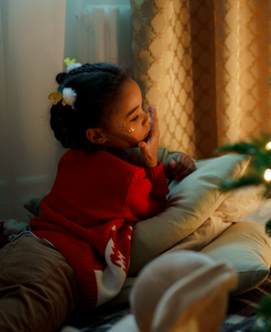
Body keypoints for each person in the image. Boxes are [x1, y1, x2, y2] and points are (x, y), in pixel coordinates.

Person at [0, 62, 197, 332]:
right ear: (96, 135)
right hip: (58, 269)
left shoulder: (73, 156)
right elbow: (157, 207)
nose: (146, 119)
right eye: (134, 117)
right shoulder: (129, 179)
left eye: (142, 108)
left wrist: (161, 159)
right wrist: (152, 164)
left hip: (25, 245)